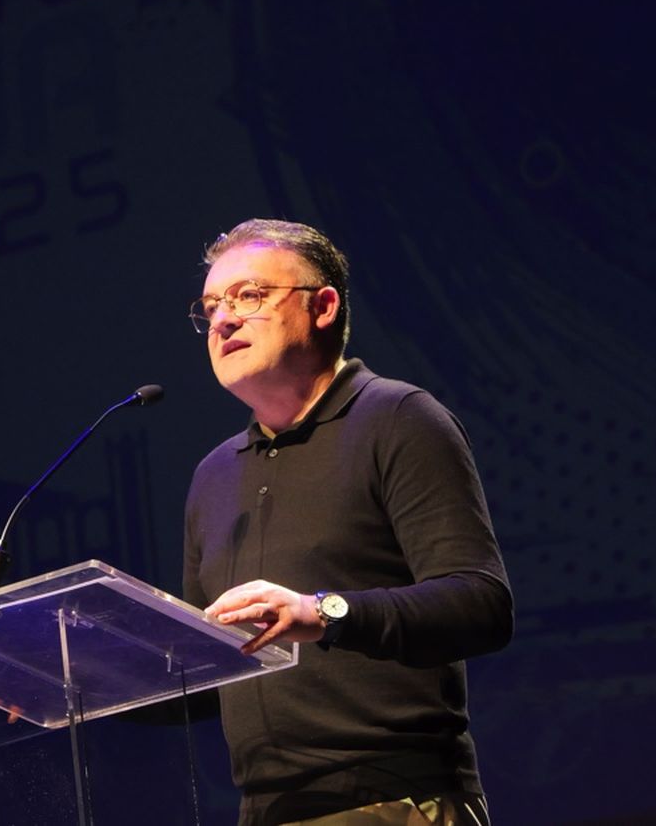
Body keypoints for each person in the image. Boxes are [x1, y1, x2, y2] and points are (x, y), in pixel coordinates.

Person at [182, 219, 512, 826]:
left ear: (323, 306)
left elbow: (481, 604)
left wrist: (324, 613)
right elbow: (204, 669)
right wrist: (63, 678)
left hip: (394, 800)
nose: (223, 320)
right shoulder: (213, 476)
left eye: (248, 297)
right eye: (210, 308)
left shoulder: (400, 419)